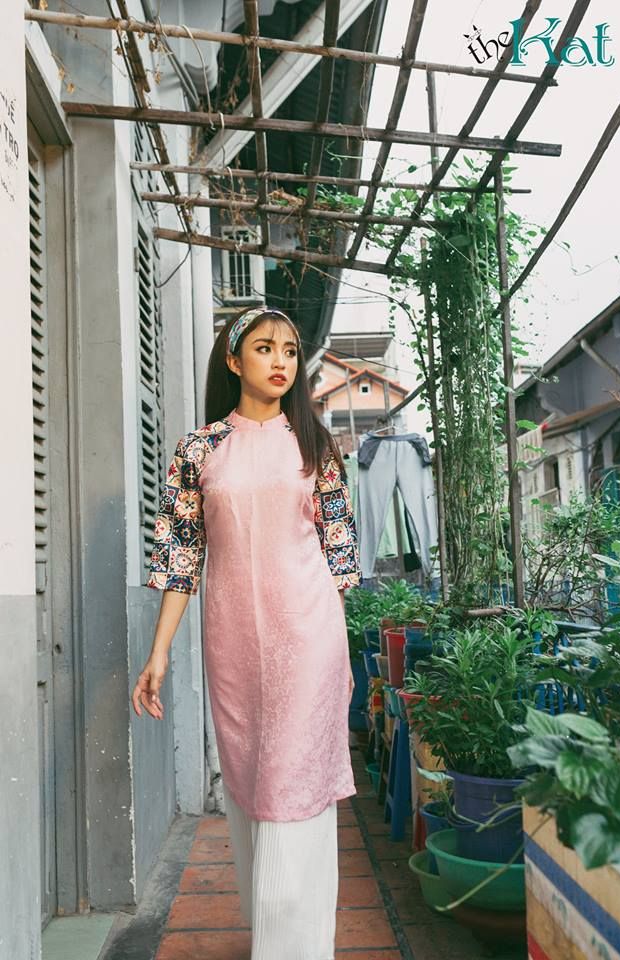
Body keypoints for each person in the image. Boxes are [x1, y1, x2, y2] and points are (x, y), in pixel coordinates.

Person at [131, 305, 362, 959]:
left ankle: (292, 945)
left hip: (309, 638)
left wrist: (342, 654)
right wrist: (157, 654)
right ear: (234, 361)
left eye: (289, 350)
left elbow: (340, 558)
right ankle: (276, 934)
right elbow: (180, 558)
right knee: (253, 783)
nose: (281, 361)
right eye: (265, 348)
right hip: (231, 647)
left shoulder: (317, 448)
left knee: (293, 783)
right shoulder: (198, 450)